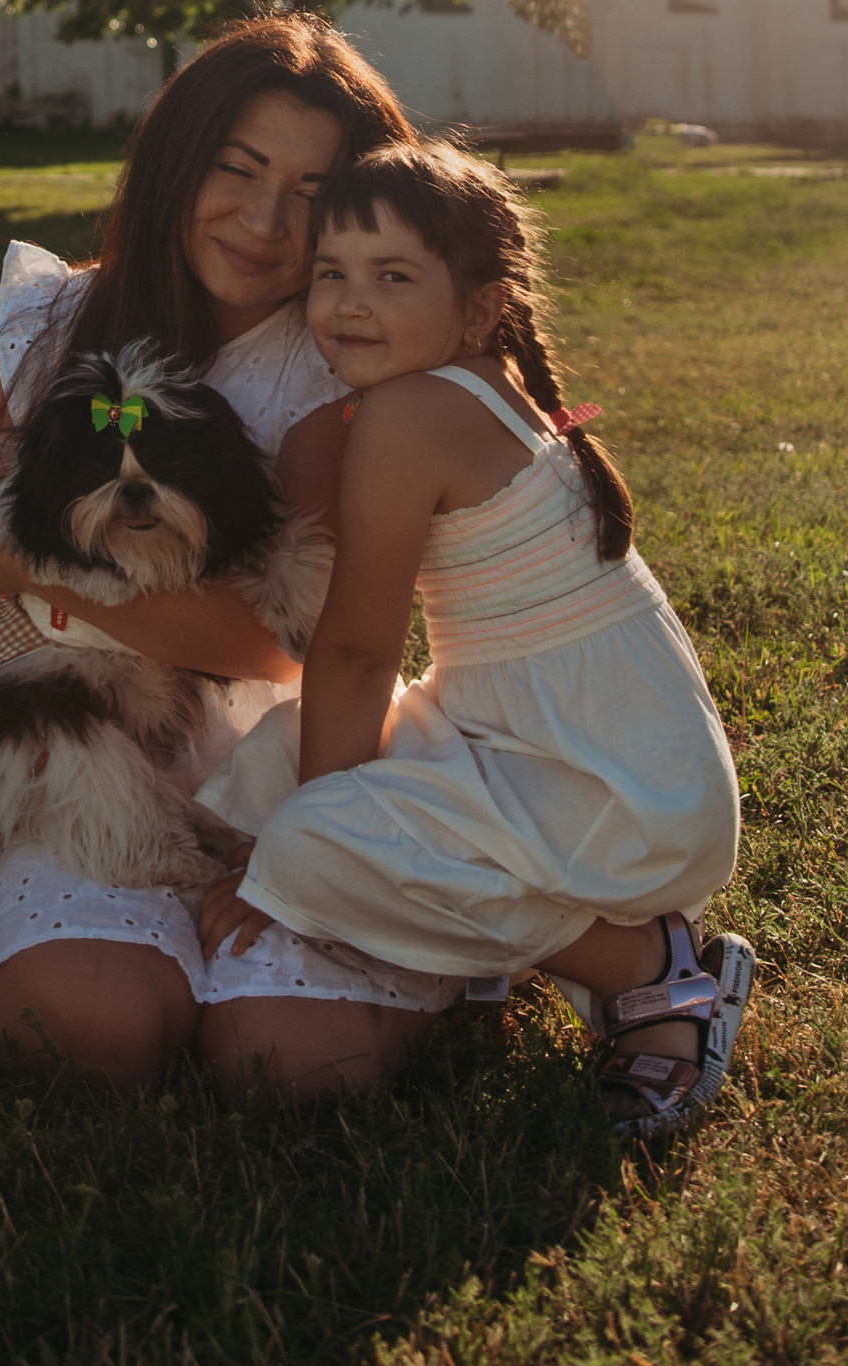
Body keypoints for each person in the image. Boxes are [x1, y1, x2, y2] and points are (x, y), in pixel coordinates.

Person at [0, 13, 460, 1093]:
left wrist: (49, 582)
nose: (266, 220)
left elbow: (270, 645)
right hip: (61, 763)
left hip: (275, 761)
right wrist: (66, 587)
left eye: (311, 191)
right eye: (239, 168)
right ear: (178, 160)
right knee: (101, 1030)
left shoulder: (326, 373)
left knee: (285, 1059)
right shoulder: (44, 322)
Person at [197, 139, 751, 1134]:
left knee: (311, 829)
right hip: (597, 759)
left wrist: (321, 847)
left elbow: (358, 651)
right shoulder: (476, 385)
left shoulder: (408, 416)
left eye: (391, 276)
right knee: (286, 749)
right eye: (331, 273)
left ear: (483, 305)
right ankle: (490, 937)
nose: (347, 303)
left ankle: (647, 971)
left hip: (616, 800)